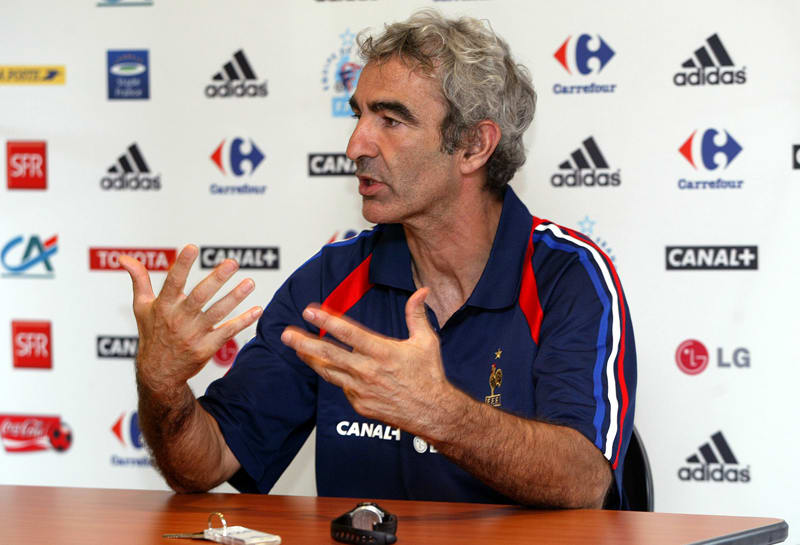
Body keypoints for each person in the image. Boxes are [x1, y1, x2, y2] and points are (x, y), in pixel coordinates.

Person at [120, 9, 636, 509]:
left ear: (474, 146)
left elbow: (584, 481)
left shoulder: (569, 275)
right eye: (359, 115)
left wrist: (441, 413)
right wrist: (162, 383)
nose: (355, 146)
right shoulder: (331, 281)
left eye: (391, 120)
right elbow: (204, 464)